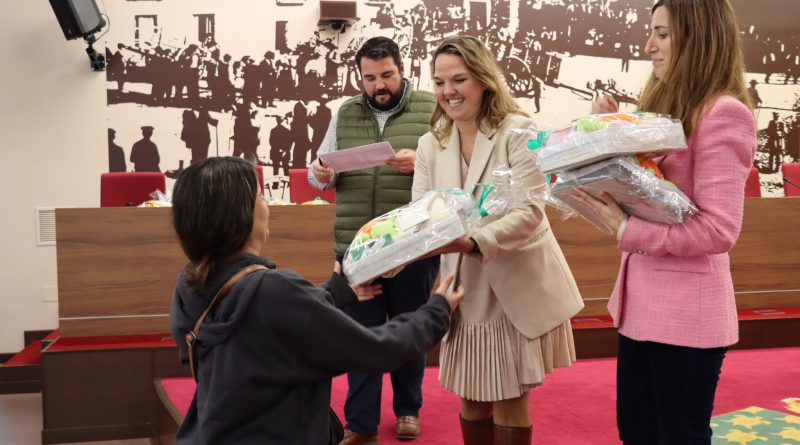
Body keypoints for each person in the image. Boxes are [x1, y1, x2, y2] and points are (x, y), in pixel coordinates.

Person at [169, 156, 463, 445]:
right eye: (261, 196)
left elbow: (262, 334)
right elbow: (378, 350)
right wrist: (437, 311)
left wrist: (334, 293)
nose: (267, 204)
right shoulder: (274, 290)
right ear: (240, 214)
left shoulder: (189, 284)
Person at [572, 1, 757, 443]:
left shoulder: (723, 113)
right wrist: (608, 134)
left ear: (699, 37)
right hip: (641, 308)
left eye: (662, 34)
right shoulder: (669, 107)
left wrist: (624, 230)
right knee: (636, 432)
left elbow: (719, 230)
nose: (648, 45)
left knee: (677, 436)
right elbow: (649, 192)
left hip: (688, 316)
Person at [412, 35, 584, 445]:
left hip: (513, 287)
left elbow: (530, 212)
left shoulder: (518, 131)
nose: (448, 91)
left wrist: (473, 241)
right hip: (462, 290)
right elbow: (420, 214)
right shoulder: (429, 144)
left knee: (509, 399)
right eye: (439, 82)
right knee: (470, 400)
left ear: (484, 80)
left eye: (459, 79)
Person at [307, 37, 439, 444]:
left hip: (411, 244)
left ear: (402, 69)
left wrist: (421, 164)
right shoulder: (345, 113)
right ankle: (360, 424)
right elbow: (317, 172)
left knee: (408, 330)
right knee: (358, 336)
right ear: (359, 77)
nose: (379, 85)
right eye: (370, 78)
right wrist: (321, 174)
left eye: (386, 75)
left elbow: (451, 170)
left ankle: (407, 410)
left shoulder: (431, 109)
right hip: (356, 248)